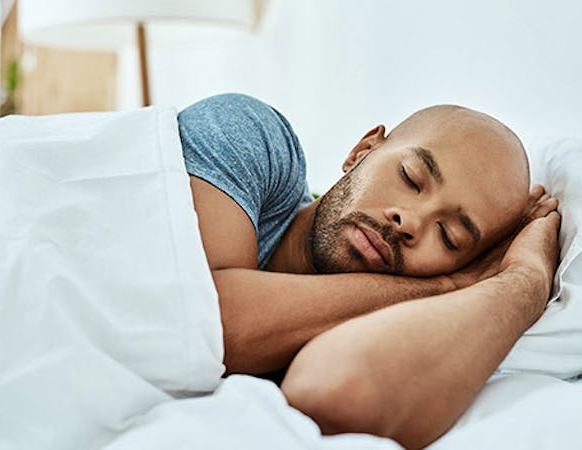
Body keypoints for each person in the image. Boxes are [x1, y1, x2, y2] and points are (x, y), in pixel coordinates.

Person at [179, 93, 560, 449]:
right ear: (362, 151)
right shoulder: (248, 136)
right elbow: (208, 323)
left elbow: (336, 395)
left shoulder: (376, 324)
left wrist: (525, 280)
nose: (409, 222)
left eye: (449, 236)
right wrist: (450, 284)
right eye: (411, 178)